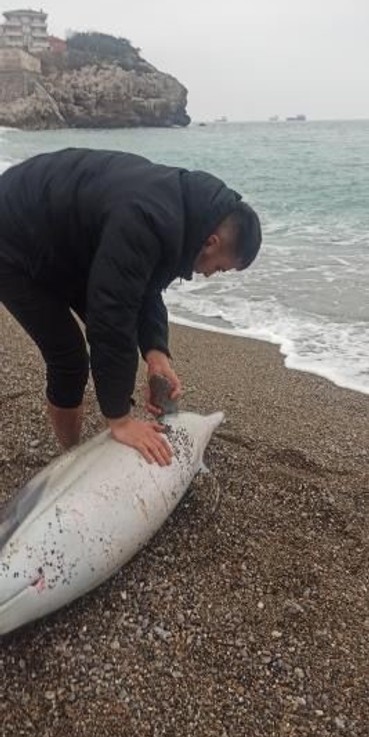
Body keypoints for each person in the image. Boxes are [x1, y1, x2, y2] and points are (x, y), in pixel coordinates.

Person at [0, 148, 262, 465]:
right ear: (212, 243)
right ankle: (68, 460)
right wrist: (119, 419)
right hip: (13, 239)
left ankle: (75, 449)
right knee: (68, 358)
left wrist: (156, 353)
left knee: (110, 310)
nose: (208, 274)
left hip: (65, 242)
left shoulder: (183, 214)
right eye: (218, 268)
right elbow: (112, 317)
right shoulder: (147, 218)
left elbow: (143, 284)